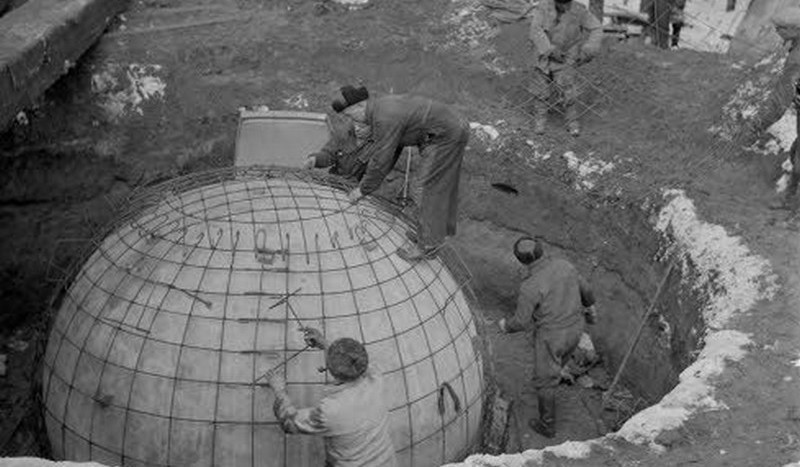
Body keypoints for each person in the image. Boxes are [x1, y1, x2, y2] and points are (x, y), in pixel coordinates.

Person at [305, 87, 470, 261]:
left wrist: (363, 189)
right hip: (446, 129)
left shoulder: (383, 118)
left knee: (422, 188)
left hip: (444, 136)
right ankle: (428, 235)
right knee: (435, 186)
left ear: (360, 106)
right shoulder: (381, 110)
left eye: (350, 115)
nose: (351, 120)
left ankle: (428, 244)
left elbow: (381, 159)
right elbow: (390, 154)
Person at [497, 236, 597, 438]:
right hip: (576, 327)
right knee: (558, 362)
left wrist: (505, 326)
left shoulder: (530, 286)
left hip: (552, 336)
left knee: (544, 380)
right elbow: (586, 290)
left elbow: (521, 322)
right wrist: (591, 310)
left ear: (520, 260)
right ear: (542, 250)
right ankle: (556, 375)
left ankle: (547, 425)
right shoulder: (565, 266)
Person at [264, 328, 397, 467]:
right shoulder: (376, 379)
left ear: (329, 368)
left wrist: (279, 390)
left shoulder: (330, 411)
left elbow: (290, 423)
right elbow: (357, 362)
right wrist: (325, 344)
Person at [743, 8, 800, 211]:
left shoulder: (797, 60)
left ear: (796, 29)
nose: (777, 31)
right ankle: (790, 198)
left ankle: (791, 203)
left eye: (782, 28)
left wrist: (757, 125)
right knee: (796, 153)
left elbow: (779, 102)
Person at [528, 0, 603, 137]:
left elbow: (596, 28)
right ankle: (540, 121)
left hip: (566, 56)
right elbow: (535, 30)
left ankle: (572, 122)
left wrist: (589, 49)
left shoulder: (579, 10)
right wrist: (549, 50)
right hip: (543, 55)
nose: (563, 6)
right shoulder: (543, 8)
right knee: (540, 90)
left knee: (568, 89)